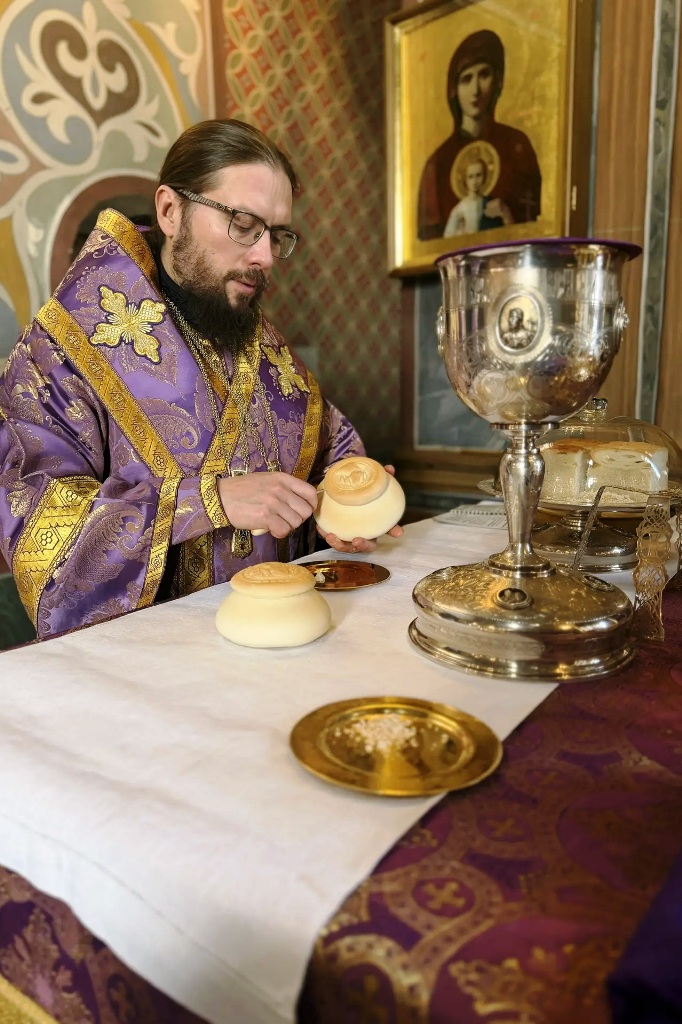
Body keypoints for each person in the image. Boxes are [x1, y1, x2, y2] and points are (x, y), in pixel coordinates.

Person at [0, 119, 402, 639]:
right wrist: (210, 501)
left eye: (277, 235)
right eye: (243, 223)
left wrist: (338, 512)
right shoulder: (61, 349)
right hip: (145, 657)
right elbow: (39, 534)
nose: (264, 256)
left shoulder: (258, 342)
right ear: (171, 210)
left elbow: (330, 452)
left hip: (275, 639)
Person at [417, 29, 542, 241]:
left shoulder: (516, 146)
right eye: (466, 79)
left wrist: (506, 214)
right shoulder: (437, 164)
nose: (475, 90)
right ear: (454, 89)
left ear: (498, 80)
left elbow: (533, 227)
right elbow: (430, 245)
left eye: (484, 75)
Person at [443, 154, 513, 237]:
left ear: (485, 177)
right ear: (465, 180)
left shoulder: (492, 204)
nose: (474, 181)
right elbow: (448, 238)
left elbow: (507, 231)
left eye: (478, 175)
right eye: (470, 177)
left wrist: (504, 214)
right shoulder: (459, 210)